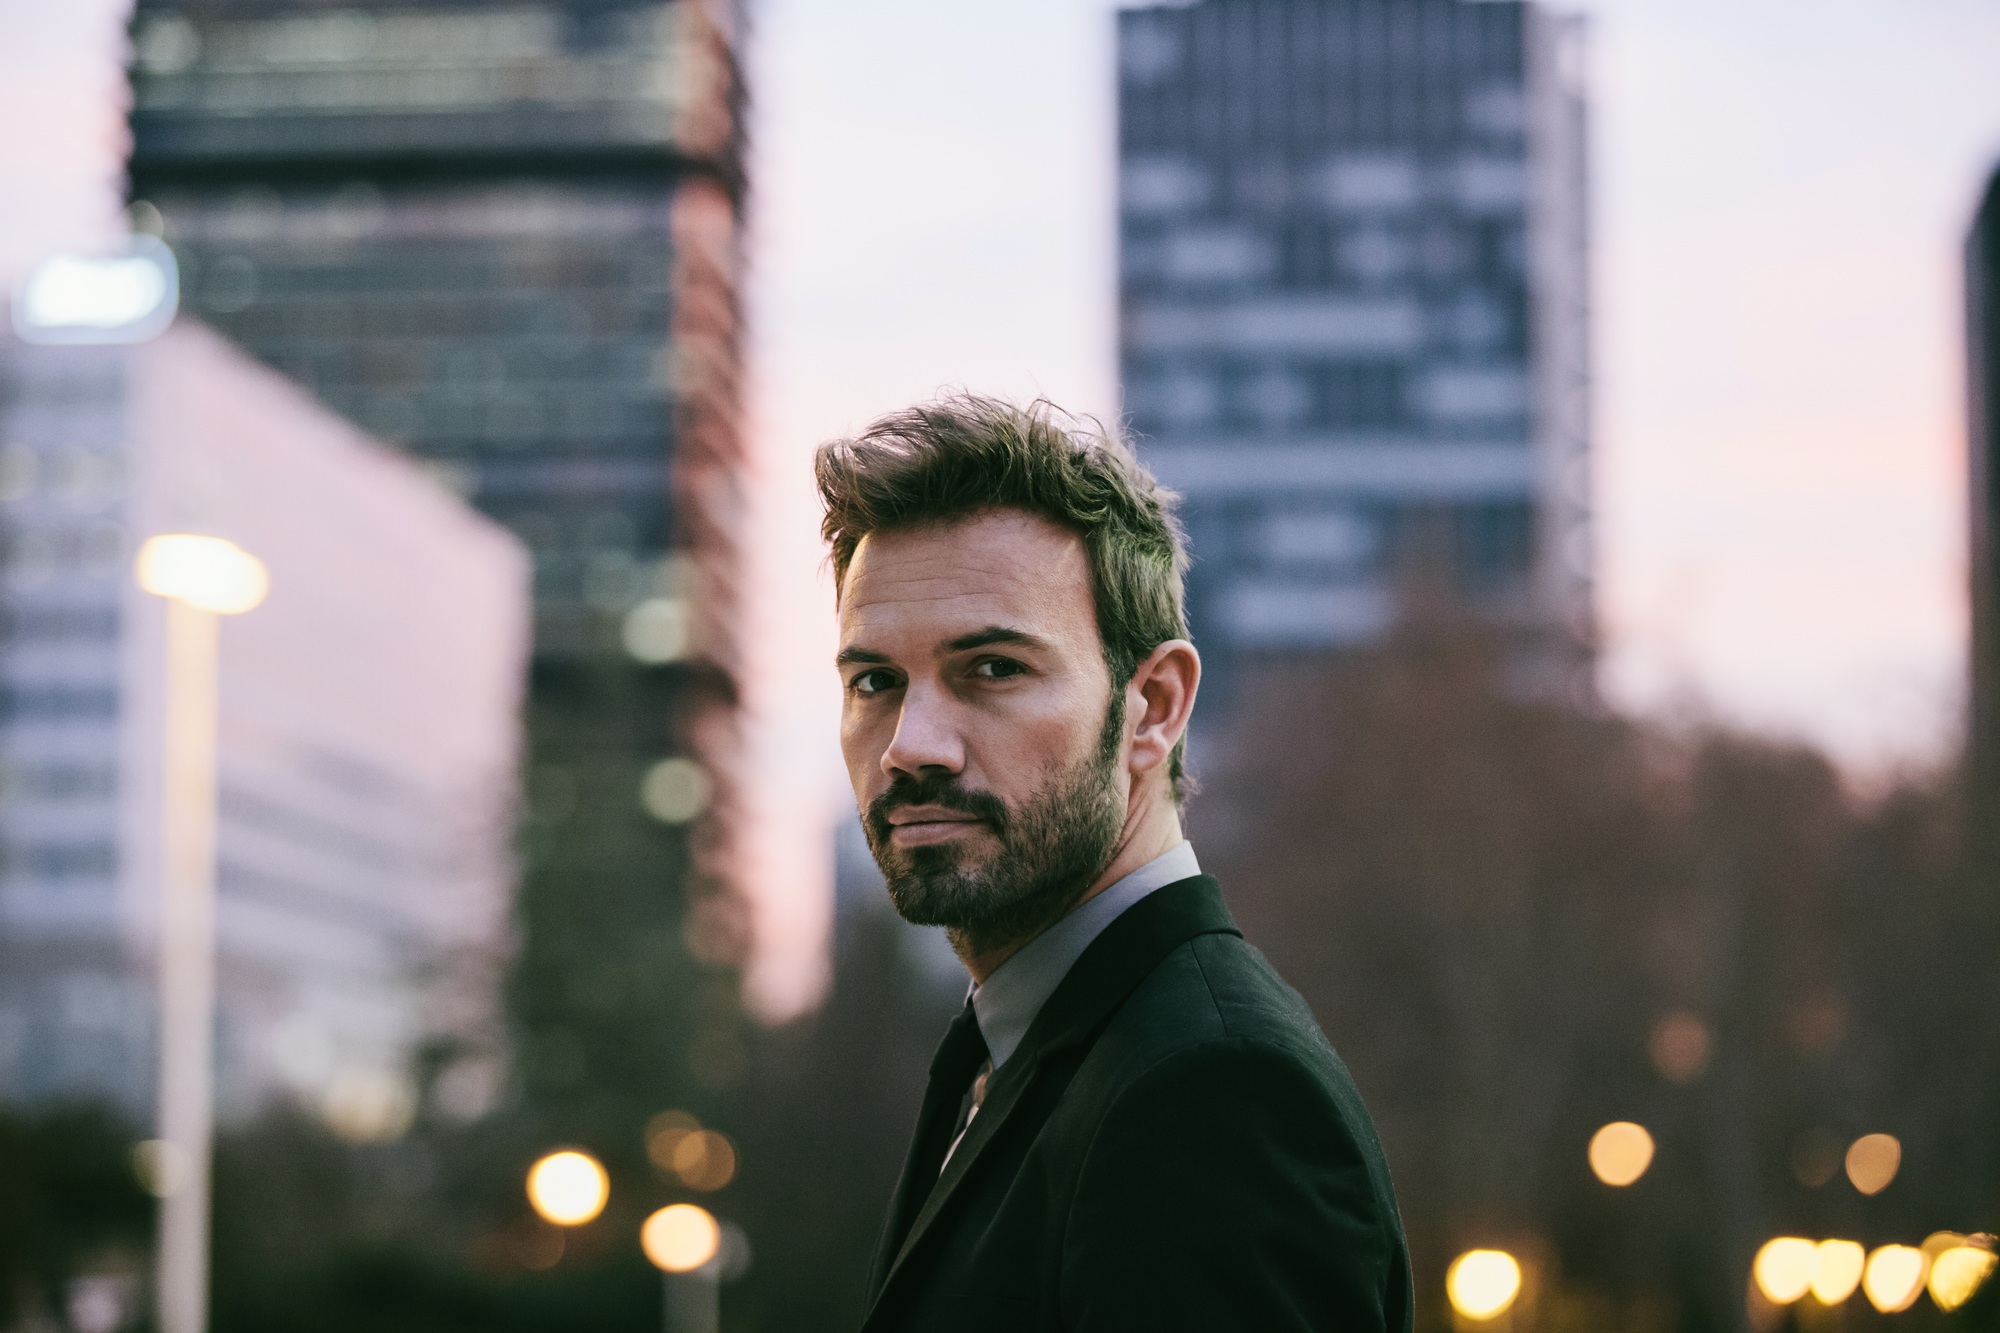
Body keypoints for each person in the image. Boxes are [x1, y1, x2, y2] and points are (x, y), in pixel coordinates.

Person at [818, 395, 1411, 1333]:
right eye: (875, 682)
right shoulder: (1037, 1048)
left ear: (1156, 706)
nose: (911, 746)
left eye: (993, 669)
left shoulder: (1213, 1098)